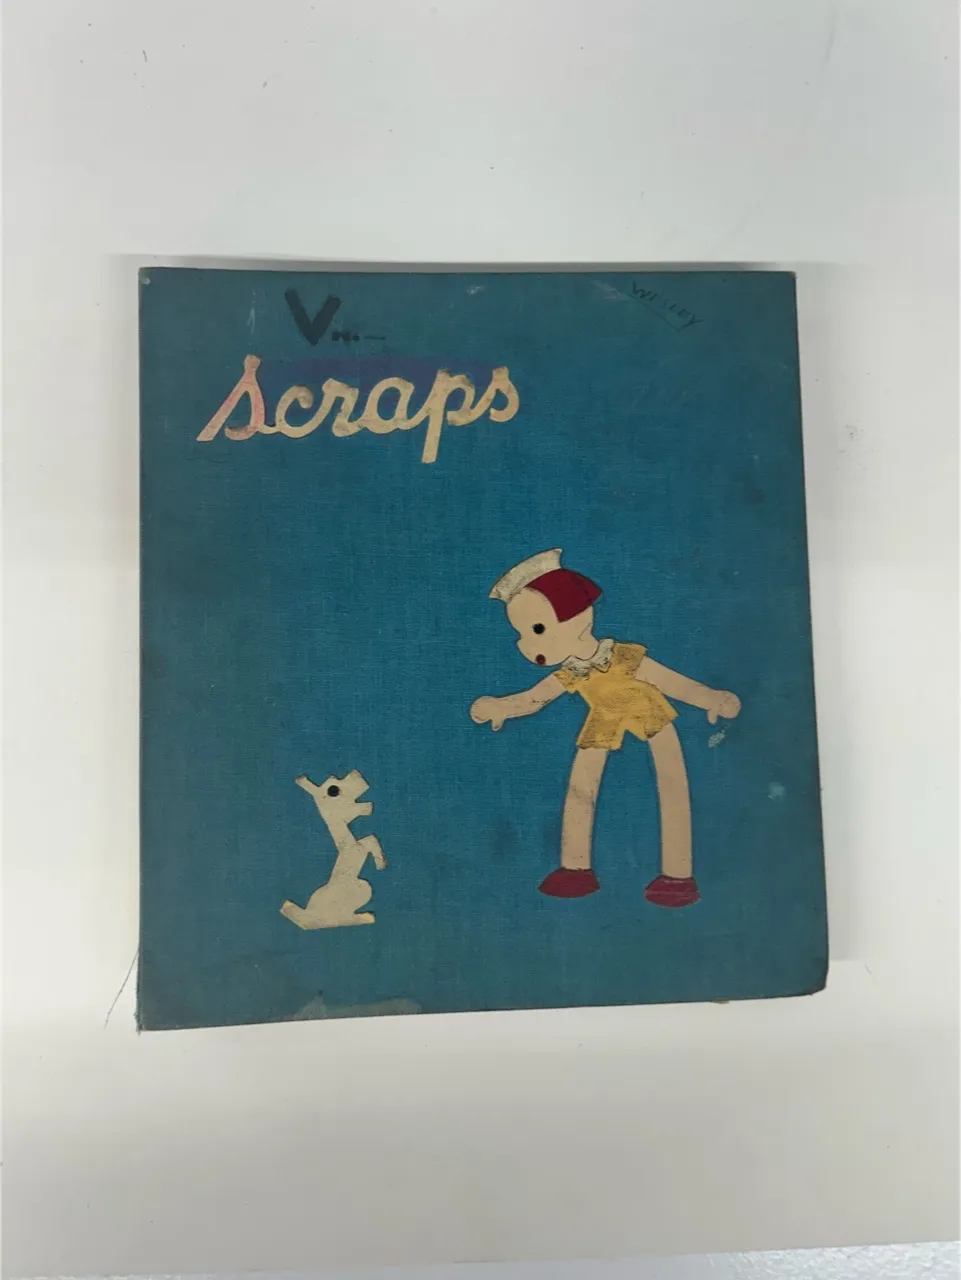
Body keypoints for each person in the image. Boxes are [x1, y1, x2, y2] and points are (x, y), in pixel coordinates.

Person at [470, 549, 741, 904]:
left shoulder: (622, 656)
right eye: (523, 633)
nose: (528, 645)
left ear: (577, 616)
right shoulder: (571, 671)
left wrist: (711, 699)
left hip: (652, 716)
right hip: (603, 720)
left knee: (672, 784)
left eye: (537, 629)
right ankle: (575, 869)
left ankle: (678, 875)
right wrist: (501, 707)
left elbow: (668, 681)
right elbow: (536, 698)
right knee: (580, 786)